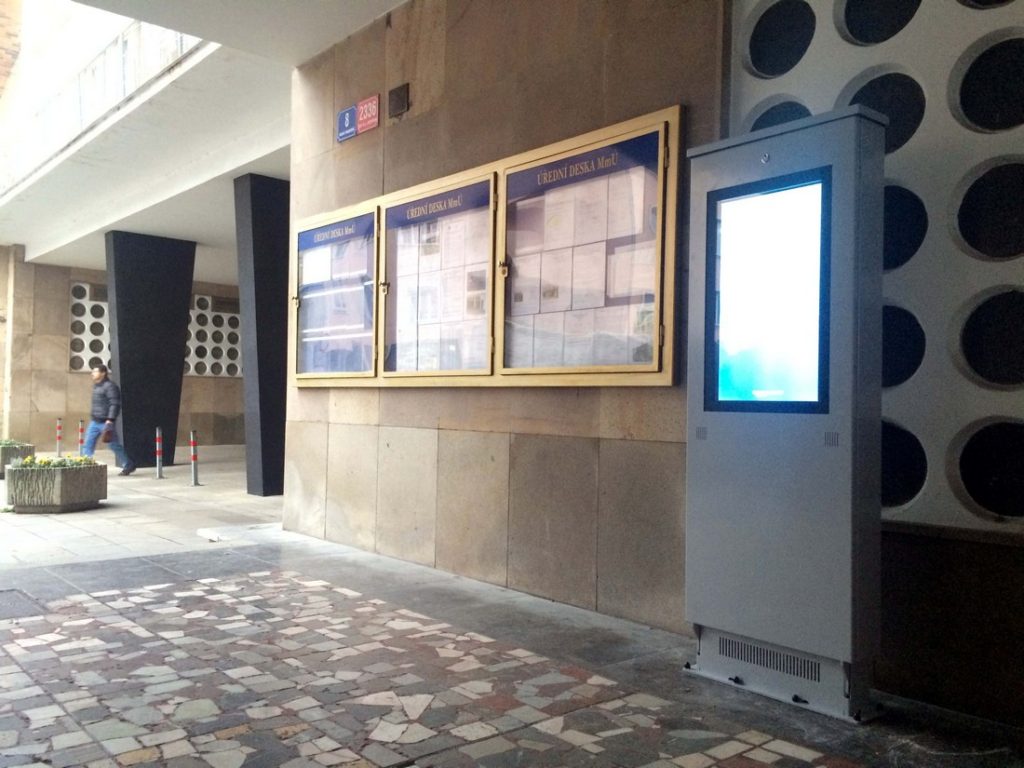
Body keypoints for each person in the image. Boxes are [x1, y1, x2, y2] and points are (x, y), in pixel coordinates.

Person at [83, 364, 136, 475]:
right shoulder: (97, 386)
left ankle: (128, 464)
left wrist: (110, 419)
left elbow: (114, 403)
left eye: (95, 371)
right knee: (88, 443)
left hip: (106, 422)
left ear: (103, 373)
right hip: (95, 421)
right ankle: (85, 466)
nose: (92, 373)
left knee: (113, 445)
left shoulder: (110, 386)